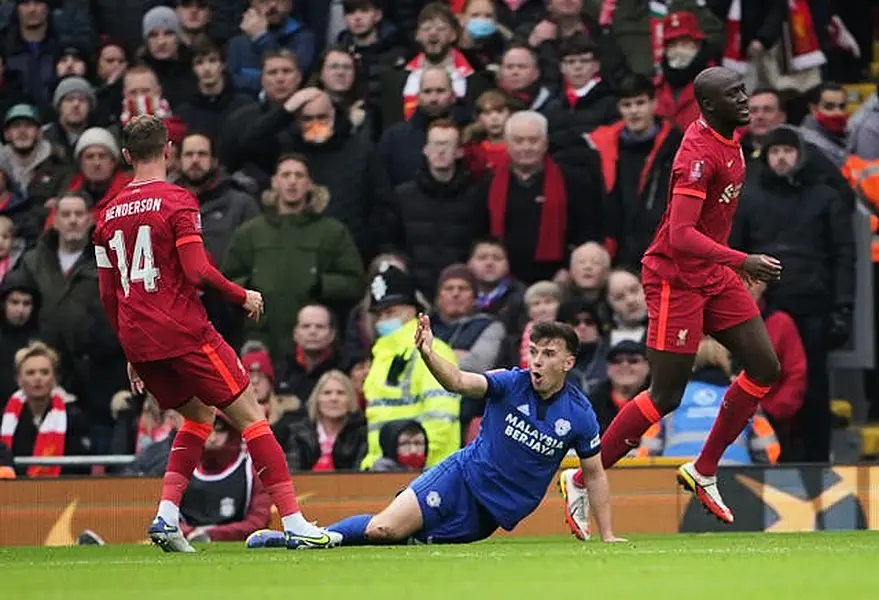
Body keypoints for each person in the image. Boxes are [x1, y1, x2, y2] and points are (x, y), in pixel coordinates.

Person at [92, 115, 338, 552]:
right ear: (168, 150)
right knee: (253, 418)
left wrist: (130, 350)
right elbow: (197, 271)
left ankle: (167, 516)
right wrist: (241, 294)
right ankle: (297, 522)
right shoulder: (177, 201)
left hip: (140, 340)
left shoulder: (106, 216)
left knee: (199, 417)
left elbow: (110, 294)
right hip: (183, 332)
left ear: (127, 157)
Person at [559, 67, 784, 533]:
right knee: (665, 394)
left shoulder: (731, 135)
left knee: (765, 367)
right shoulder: (697, 157)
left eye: (743, 90)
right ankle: (581, 478)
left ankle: (703, 470)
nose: (744, 99)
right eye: (733, 94)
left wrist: (728, 265)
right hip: (674, 279)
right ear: (707, 105)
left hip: (712, 274)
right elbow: (680, 236)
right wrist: (743, 260)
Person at [246, 317, 624, 548]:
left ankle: (317, 538)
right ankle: (306, 538)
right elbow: (459, 380)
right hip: (461, 476)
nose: (537, 361)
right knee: (383, 530)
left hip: (490, 514)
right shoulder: (511, 383)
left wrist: (607, 535)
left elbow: (593, 473)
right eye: (535, 352)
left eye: (549, 354)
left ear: (569, 363)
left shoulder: (579, 414)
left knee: (401, 540)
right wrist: (428, 354)